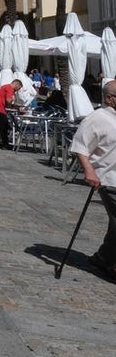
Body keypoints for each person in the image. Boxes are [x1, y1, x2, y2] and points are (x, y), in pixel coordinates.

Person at [70, 80, 116, 277]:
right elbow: (80, 146)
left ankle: (103, 258)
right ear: (109, 98)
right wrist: (89, 171)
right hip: (109, 178)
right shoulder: (97, 118)